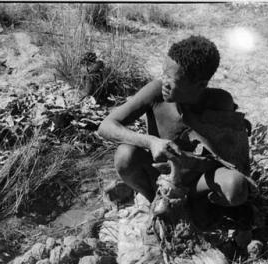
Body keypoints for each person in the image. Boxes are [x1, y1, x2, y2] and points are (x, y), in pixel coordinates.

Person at [98, 35, 252, 219]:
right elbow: (106, 126)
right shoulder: (156, 93)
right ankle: (155, 201)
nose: (164, 81)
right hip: (162, 179)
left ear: (199, 85)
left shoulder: (219, 101)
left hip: (199, 182)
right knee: (125, 155)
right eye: (164, 73)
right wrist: (151, 141)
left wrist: (189, 160)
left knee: (236, 187)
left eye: (172, 78)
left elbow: (231, 160)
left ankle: (196, 209)